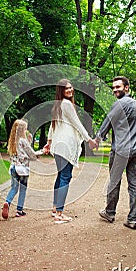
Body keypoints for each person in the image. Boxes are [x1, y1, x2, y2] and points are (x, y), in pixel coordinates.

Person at [44, 79, 97, 223]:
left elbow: (51, 126)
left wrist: (49, 143)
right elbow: (77, 123)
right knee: (65, 177)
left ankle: (55, 207)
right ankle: (59, 214)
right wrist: (89, 140)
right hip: (66, 145)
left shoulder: (58, 105)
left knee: (60, 175)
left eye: (70, 87)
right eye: (66, 88)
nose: (69, 90)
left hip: (58, 145)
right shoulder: (66, 104)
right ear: (60, 91)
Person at [95, 76, 136, 230]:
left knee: (114, 182)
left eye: (118, 87)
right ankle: (132, 219)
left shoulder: (119, 104)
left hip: (121, 151)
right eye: (114, 87)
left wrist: (98, 138)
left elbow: (108, 122)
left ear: (127, 88)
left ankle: (110, 212)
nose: (115, 89)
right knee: (135, 184)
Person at [2, 119, 43, 219]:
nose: (26, 130)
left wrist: (29, 139)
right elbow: (31, 154)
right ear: (21, 130)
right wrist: (42, 151)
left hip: (13, 168)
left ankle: (7, 202)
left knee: (14, 188)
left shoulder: (12, 142)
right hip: (22, 170)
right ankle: (19, 210)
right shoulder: (23, 141)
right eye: (25, 129)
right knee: (23, 189)